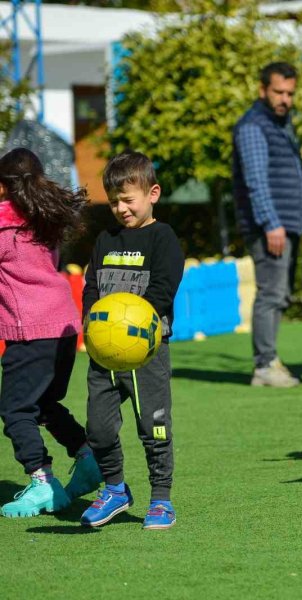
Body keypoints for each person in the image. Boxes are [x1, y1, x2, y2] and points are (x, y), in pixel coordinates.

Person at [81, 152, 185, 530]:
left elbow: (164, 288)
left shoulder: (163, 237)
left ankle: (161, 498)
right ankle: (114, 490)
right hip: (104, 355)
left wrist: (134, 322)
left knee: (154, 427)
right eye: (113, 201)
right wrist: (91, 322)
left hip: (146, 353)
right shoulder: (105, 239)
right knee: (98, 428)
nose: (121, 208)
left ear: (152, 193)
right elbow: (91, 285)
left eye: (128, 199)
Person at [0, 148, 102, 518]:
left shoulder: (3, 222)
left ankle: (42, 481)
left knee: (15, 409)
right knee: (44, 404)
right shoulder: (48, 219)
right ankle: (87, 458)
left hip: (31, 330)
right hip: (63, 326)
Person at [233, 61, 302, 388]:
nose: (285, 99)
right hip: (270, 226)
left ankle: (269, 360)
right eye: (278, 92)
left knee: (279, 294)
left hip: (286, 223)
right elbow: (256, 180)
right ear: (262, 90)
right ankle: (264, 365)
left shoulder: (280, 123)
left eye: (290, 93)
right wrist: (271, 223)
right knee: (271, 293)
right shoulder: (253, 125)